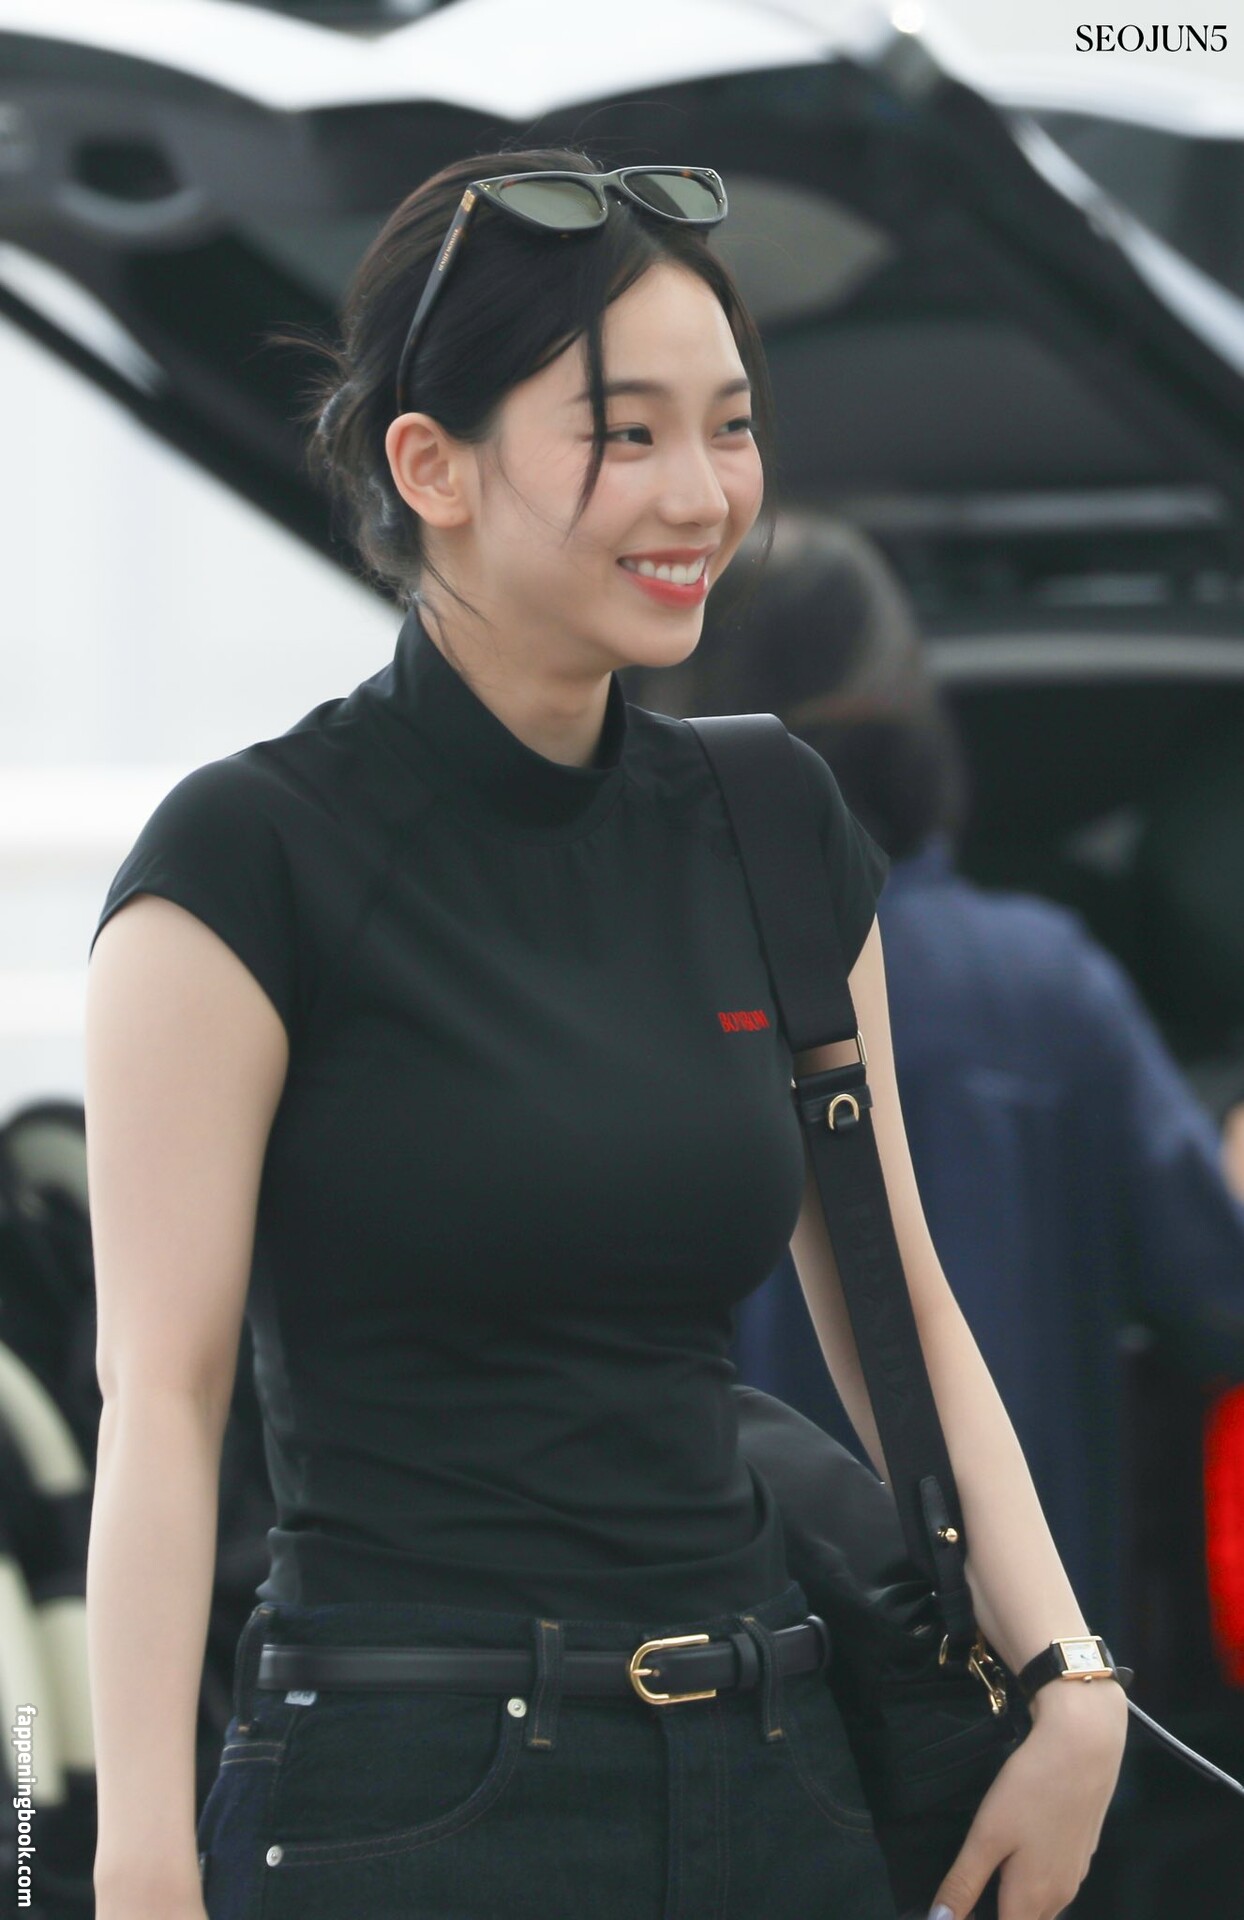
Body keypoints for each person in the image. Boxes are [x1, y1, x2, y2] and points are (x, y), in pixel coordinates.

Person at [83, 147, 1128, 1920]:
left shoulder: (772, 822)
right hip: (407, 1798)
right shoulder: (247, 859)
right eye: (624, 432)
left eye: (730, 427)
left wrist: (1070, 1679)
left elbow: (900, 1306)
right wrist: (137, 1864)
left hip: (776, 1771)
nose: (701, 493)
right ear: (430, 467)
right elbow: (160, 1404)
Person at [680, 509, 1244, 1672]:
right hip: (1023, 1677)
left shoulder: (637, 984)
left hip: (722, 1688)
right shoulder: (1045, 984)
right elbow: (1215, 1297)